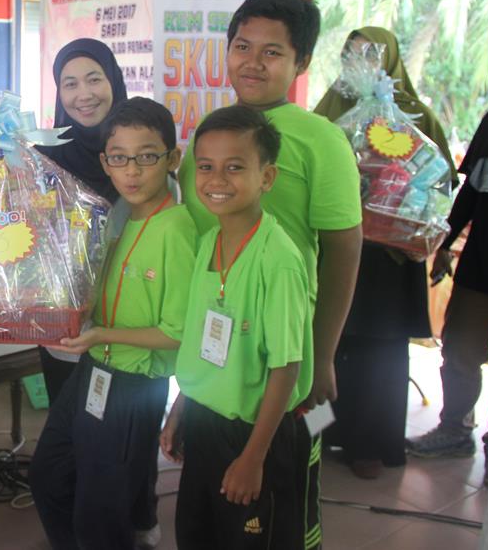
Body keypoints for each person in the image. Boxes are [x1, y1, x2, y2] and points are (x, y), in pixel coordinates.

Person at [178, 0, 362, 549]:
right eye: (242, 46)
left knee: (281, 506)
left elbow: (344, 249)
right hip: (218, 363)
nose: (252, 62)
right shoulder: (213, 131)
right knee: (211, 510)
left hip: (282, 353)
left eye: (272, 52)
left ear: (301, 62)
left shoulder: (321, 139)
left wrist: (323, 354)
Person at [29, 97, 196, 550]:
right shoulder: (115, 218)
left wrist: (101, 333)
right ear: (106, 162)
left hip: (133, 386)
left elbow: (178, 333)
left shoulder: (177, 229)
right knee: (49, 475)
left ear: (173, 159)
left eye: (147, 157)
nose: (132, 171)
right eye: (120, 158)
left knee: (101, 509)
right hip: (94, 370)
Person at [162, 105, 312, 549]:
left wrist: (253, 458)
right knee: (197, 533)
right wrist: (181, 407)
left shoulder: (278, 261)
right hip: (204, 422)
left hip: (255, 432)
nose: (217, 180)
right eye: (206, 167)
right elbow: (203, 343)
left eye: (234, 167)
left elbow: (285, 367)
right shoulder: (210, 241)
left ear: (267, 177)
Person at [312, 26, 457, 479]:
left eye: (372, 53)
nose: (362, 62)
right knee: (328, 344)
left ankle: (370, 446)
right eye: (352, 54)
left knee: (380, 355)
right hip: (337, 251)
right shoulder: (329, 111)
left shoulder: (415, 115)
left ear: (391, 59)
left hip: (390, 259)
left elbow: (441, 182)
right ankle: (317, 433)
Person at [407, 100, 488, 487]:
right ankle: (455, 429)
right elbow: (473, 190)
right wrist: (445, 243)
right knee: (460, 351)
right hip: (482, 265)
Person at [36, 37, 128, 406]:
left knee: (123, 432)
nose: (83, 95)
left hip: (132, 337)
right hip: (66, 336)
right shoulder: (43, 160)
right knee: (67, 425)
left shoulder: (140, 154)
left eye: (94, 79)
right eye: (70, 84)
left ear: (113, 81)